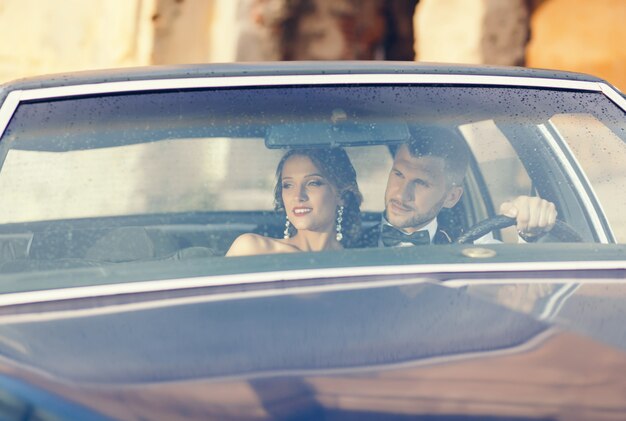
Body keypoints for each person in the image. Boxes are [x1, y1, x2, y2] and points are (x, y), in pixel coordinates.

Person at [360, 126, 557, 247]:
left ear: (451, 197)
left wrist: (529, 231)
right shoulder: (343, 235)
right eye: (398, 174)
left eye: (421, 183)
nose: (402, 194)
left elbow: (515, 291)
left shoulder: (473, 242)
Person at [226, 147, 362, 256]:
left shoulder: (361, 262)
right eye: (288, 185)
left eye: (313, 183)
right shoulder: (253, 249)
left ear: (342, 196)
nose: (298, 196)